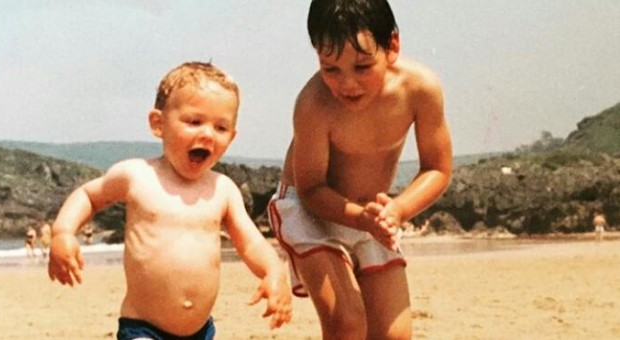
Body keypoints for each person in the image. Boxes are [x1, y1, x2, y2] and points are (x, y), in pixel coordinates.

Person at [48, 61, 292, 339]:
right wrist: (63, 232)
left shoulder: (222, 189)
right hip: (143, 328)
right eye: (194, 121)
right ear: (158, 123)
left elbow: (249, 242)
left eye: (221, 128)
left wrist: (274, 271)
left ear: (231, 137)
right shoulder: (137, 175)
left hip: (201, 331)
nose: (207, 133)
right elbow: (89, 195)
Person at [267, 1, 452, 339]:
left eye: (362, 66)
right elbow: (310, 189)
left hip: (372, 214)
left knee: (394, 335)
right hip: (309, 210)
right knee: (347, 321)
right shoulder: (313, 104)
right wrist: (358, 217)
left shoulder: (420, 89)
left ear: (392, 45)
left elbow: (437, 168)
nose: (347, 84)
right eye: (330, 69)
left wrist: (398, 209)